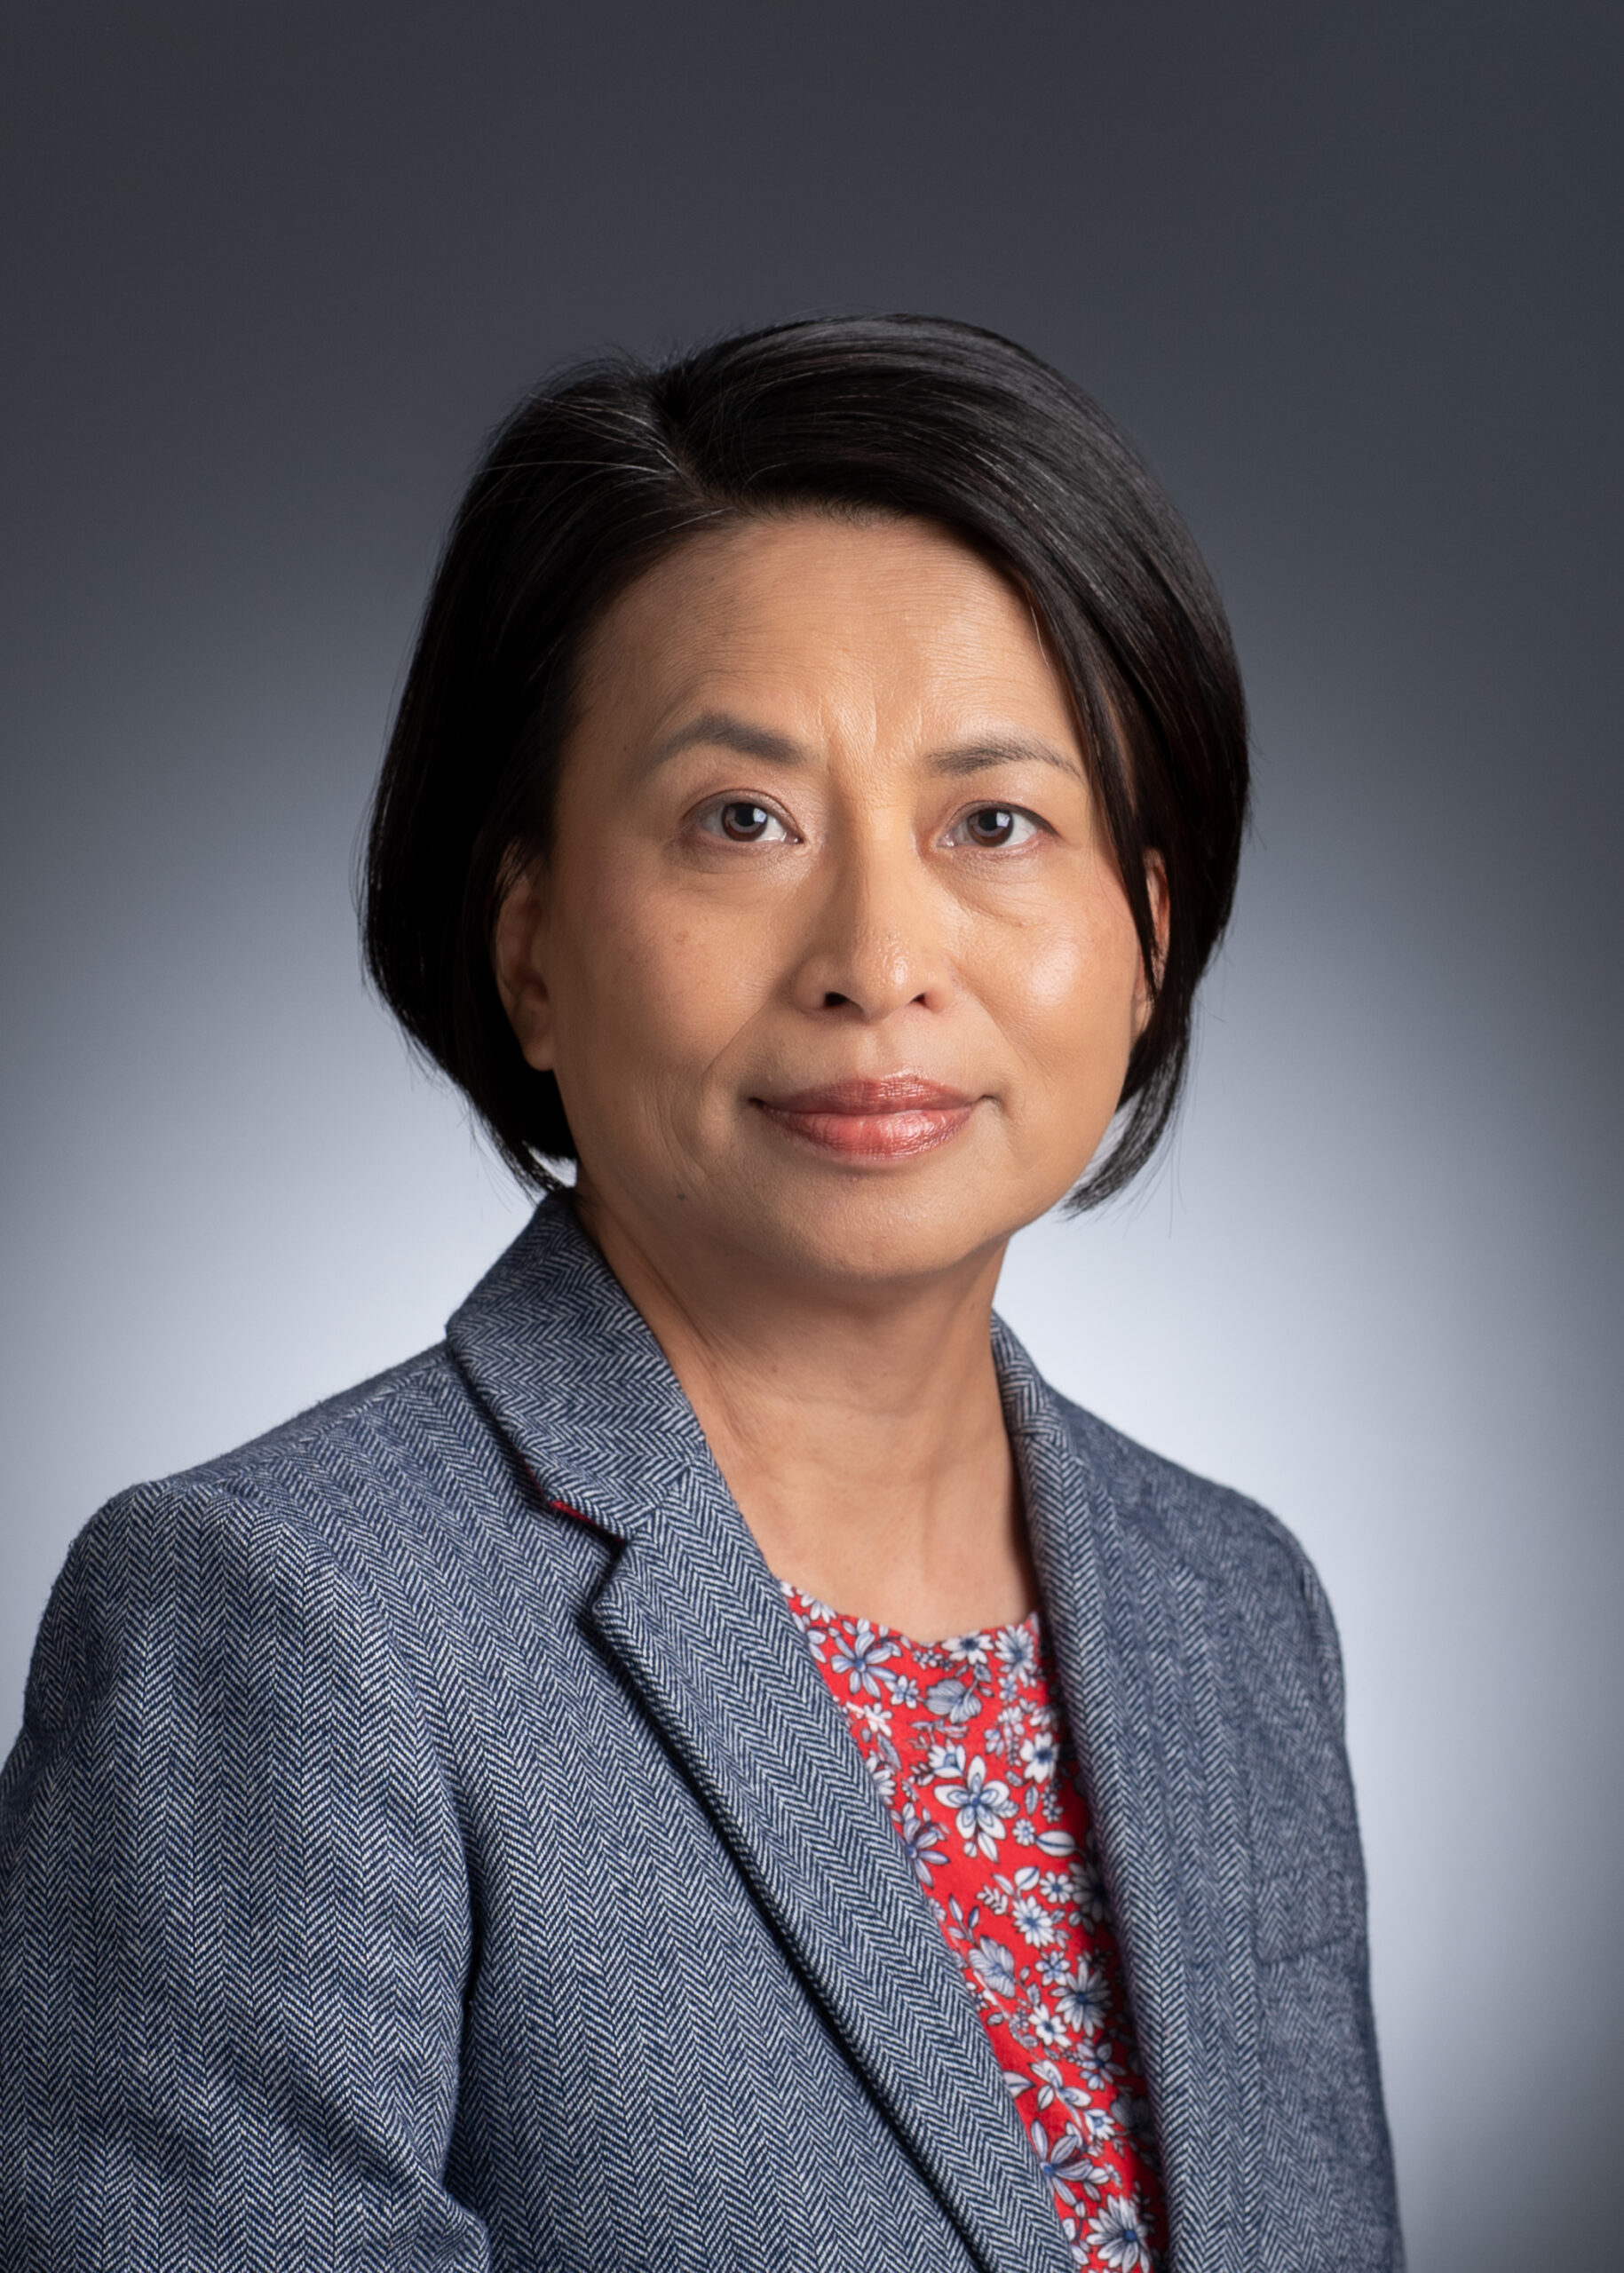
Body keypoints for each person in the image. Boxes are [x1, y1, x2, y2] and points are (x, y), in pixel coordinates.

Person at [0, 315, 1401, 2272]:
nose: (876, 956)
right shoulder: (282, 1625)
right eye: (741, 820)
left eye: (994, 822)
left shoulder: (1233, 1610)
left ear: (1147, 933)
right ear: (533, 946)